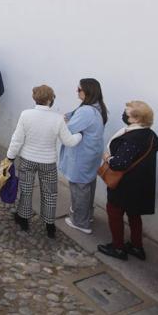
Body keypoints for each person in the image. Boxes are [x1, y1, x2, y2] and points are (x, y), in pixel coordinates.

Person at [6, 84, 82, 237]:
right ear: (50, 100)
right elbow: (69, 142)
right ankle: (49, 226)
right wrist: (80, 134)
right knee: (50, 193)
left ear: (35, 98)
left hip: (27, 159)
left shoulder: (26, 115)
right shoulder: (57, 119)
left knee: (26, 190)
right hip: (48, 162)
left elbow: (17, 139)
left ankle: (24, 219)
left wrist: (10, 157)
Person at [97, 100, 158, 261]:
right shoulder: (150, 134)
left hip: (125, 185)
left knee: (114, 212)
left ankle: (118, 248)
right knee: (134, 215)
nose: (123, 114)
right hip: (141, 184)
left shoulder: (133, 138)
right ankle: (137, 247)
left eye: (127, 113)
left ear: (136, 119)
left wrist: (107, 157)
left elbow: (120, 163)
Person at [61, 78, 108, 234]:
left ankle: (80, 222)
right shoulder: (96, 106)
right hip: (91, 154)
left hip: (82, 155)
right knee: (88, 185)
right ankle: (87, 215)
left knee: (79, 187)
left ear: (88, 91)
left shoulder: (87, 111)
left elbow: (69, 129)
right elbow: (72, 115)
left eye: (79, 89)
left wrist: (63, 122)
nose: (76, 91)